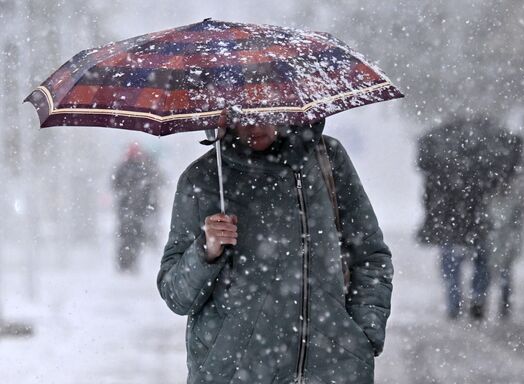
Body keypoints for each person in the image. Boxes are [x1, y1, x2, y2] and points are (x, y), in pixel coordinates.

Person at [157, 119, 393, 384]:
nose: (255, 126)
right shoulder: (202, 179)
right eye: (242, 117)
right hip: (232, 375)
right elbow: (175, 296)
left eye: (267, 114)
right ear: (223, 117)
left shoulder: (325, 159)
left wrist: (363, 335)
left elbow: (370, 256)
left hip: (329, 371)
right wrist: (205, 251)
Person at [417, 115, 519, 320]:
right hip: (476, 221)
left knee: (452, 265)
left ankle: (454, 304)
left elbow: (428, 194)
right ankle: (477, 299)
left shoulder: (440, 163)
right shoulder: (482, 160)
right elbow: (493, 186)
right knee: (481, 261)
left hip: (449, 223)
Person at [487, 136, 524, 318]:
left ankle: (481, 296)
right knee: (507, 259)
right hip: (515, 215)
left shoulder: (491, 159)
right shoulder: (521, 163)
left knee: (491, 256)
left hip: (494, 213)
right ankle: (504, 298)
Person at [112, 142, 162, 272]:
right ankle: (127, 263)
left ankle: (127, 263)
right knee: (131, 237)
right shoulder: (142, 168)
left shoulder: (130, 168)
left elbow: (116, 185)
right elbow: (151, 189)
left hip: (132, 210)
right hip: (134, 210)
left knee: (130, 237)